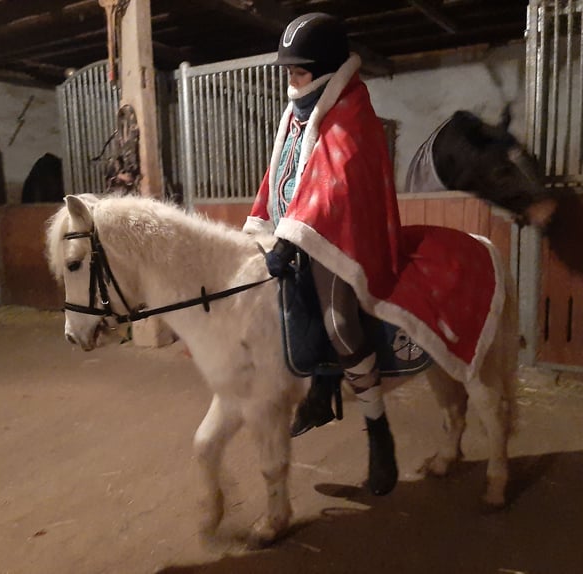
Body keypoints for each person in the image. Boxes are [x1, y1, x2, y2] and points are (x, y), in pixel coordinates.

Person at [242, 12, 401, 496]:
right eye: (289, 73)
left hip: (341, 235)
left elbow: (335, 184)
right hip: (298, 228)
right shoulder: (298, 112)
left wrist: (292, 237)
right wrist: (265, 227)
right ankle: (320, 391)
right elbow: (283, 171)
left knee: (338, 322)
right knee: (289, 311)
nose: (291, 81)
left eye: (299, 72)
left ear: (328, 70)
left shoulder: (352, 108)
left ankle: (379, 433)